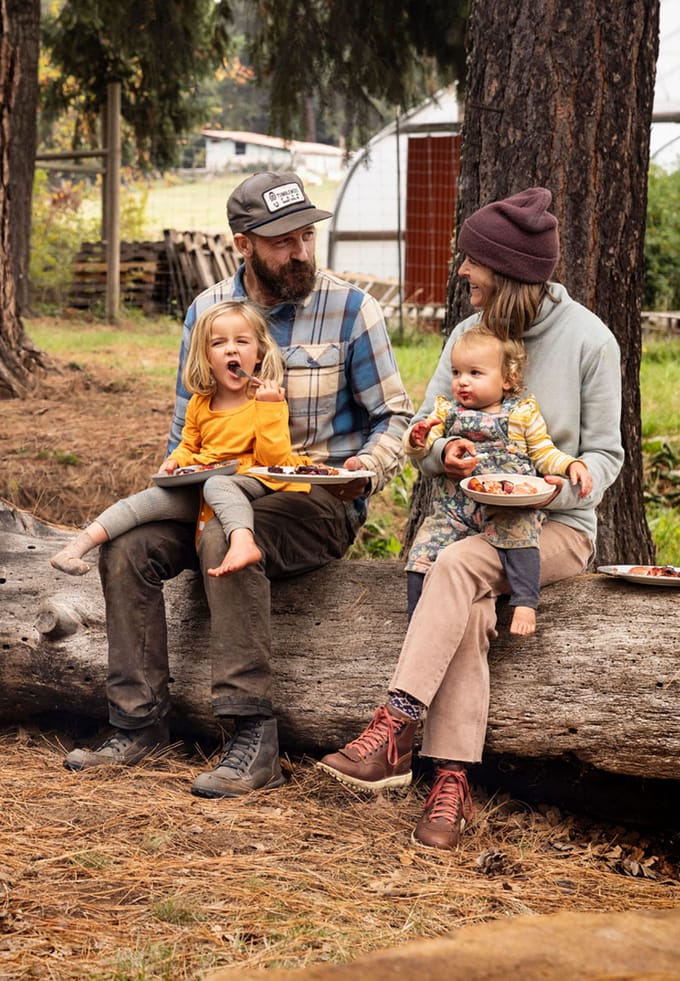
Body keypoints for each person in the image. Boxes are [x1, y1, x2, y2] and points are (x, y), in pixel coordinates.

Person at [62, 171, 413, 797]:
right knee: (127, 548)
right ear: (243, 244)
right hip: (214, 486)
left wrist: (359, 473)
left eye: (306, 235)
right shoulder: (207, 313)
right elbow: (185, 422)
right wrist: (175, 471)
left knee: (225, 539)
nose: (300, 251)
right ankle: (137, 722)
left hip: (310, 498)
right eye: (283, 241)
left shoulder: (353, 309)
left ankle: (253, 737)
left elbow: (395, 418)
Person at [318, 187, 623, 851]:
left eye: (472, 263)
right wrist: (441, 456)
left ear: (509, 273)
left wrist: (551, 490)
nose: (461, 274)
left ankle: (395, 723)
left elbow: (605, 456)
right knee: (470, 602)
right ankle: (450, 781)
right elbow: (423, 434)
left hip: (557, 534)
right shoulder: (464, 336)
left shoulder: (591, 342)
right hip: (468, 523)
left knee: (454, 567)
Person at [50, 300, 314, 579]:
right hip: (205, 482)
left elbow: (273, 459)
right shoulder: (200, 403)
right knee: (147, 500)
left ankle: (243, 542)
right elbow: (189, 445)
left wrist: (270, 407)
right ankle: (74, 548)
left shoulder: (266, 401)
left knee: (219, 484)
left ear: (259, 353)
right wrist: (176, 460)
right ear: (207, 357)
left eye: (242, 341)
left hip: (252, 475)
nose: (231, 348)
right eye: (219, 343)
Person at [404, 324, 593, 635]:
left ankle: (525, 602)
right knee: (423, 550)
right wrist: (419, 438)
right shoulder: (447, 413)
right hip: (455, 509)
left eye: (475, 373)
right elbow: (419, 449)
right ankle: (417, 619)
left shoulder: (521, 415)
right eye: (456, 372)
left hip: (508, 505)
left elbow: (544, 453)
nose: (462, 381)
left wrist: (570, 465)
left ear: (508, 379)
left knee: (520, 536)